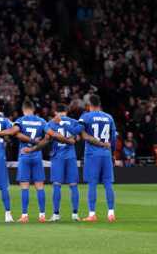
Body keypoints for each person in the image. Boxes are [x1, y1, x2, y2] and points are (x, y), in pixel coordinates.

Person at [32, 101, 83, 221]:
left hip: (57, 156)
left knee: (57, 185)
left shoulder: (51, 123)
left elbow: (47, 138)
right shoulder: (73, 121)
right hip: (70, 155)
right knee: (73, 185)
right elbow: (78, 137)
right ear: (66, 111)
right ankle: (75, 214)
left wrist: (34, 146)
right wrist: (72, 138)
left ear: (55, 112)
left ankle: (56, 214)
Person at [79, 93, 117, 222]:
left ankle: (92, 213)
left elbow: (82, 134)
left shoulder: (86, 117)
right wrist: (112, 152)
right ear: (99, 105)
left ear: (89, 105)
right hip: (106, 153)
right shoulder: (109, 117)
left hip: (92, 154)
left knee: (92, 183)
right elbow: (113, 138)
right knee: (108, 183)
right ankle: (111, 213)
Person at [13, 99, 49, 222]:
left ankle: (24, 215)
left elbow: (16, 134)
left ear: (23, 110)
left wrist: (30, 141)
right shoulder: (42, 121)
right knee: (39, 186)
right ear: (33, 109)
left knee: (24, 186)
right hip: (37, 156)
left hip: (24, 156)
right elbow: (47, 138)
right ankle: (42, 215)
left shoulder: (20, 120)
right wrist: (36, 144)